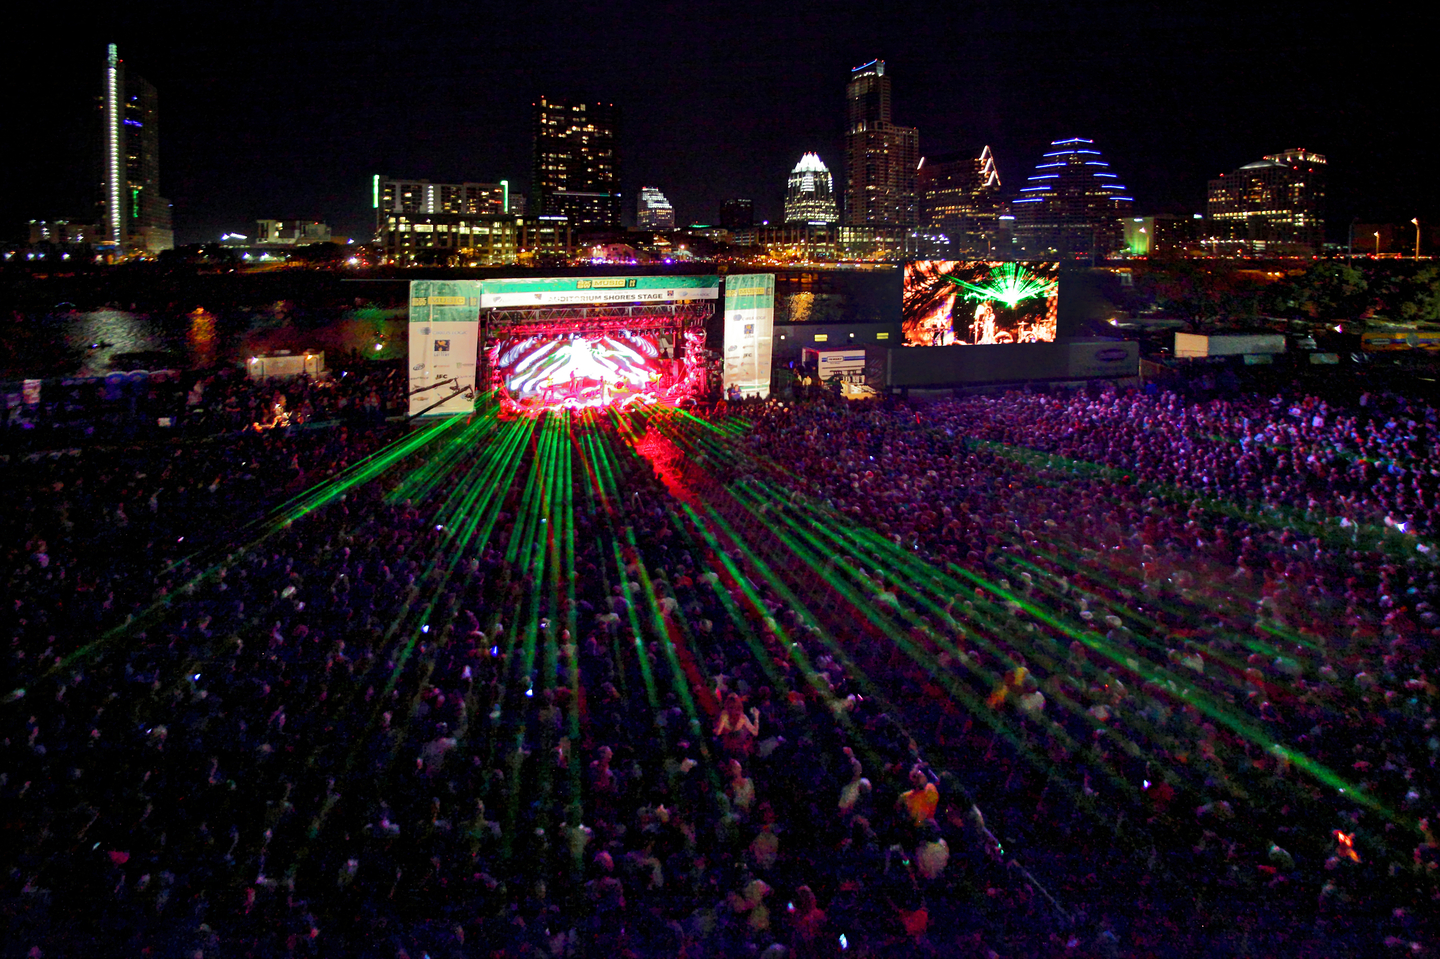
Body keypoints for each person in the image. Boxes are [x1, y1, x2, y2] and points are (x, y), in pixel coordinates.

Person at [716, 692, 760, 758]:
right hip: (741, 747)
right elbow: (755, 732)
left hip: (728, 748)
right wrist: (756, 717)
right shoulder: (742, 718)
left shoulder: (724, 716)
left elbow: (718, 732)